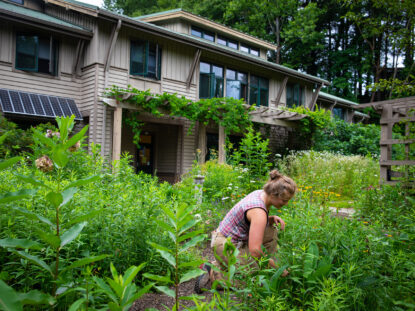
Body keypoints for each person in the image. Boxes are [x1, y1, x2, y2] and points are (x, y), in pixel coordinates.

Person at [195, 170, 297, 293]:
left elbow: (249, 220)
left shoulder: (261, 194)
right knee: (256, 280)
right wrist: (277, 269)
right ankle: (214, 273)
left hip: (233, 240)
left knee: (271, 229)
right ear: (273, 195)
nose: (286, 204)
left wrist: (269, 219)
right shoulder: (258, 212)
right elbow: (255, 251)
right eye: (284, 200)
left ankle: (231, 265)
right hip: (224, 244)